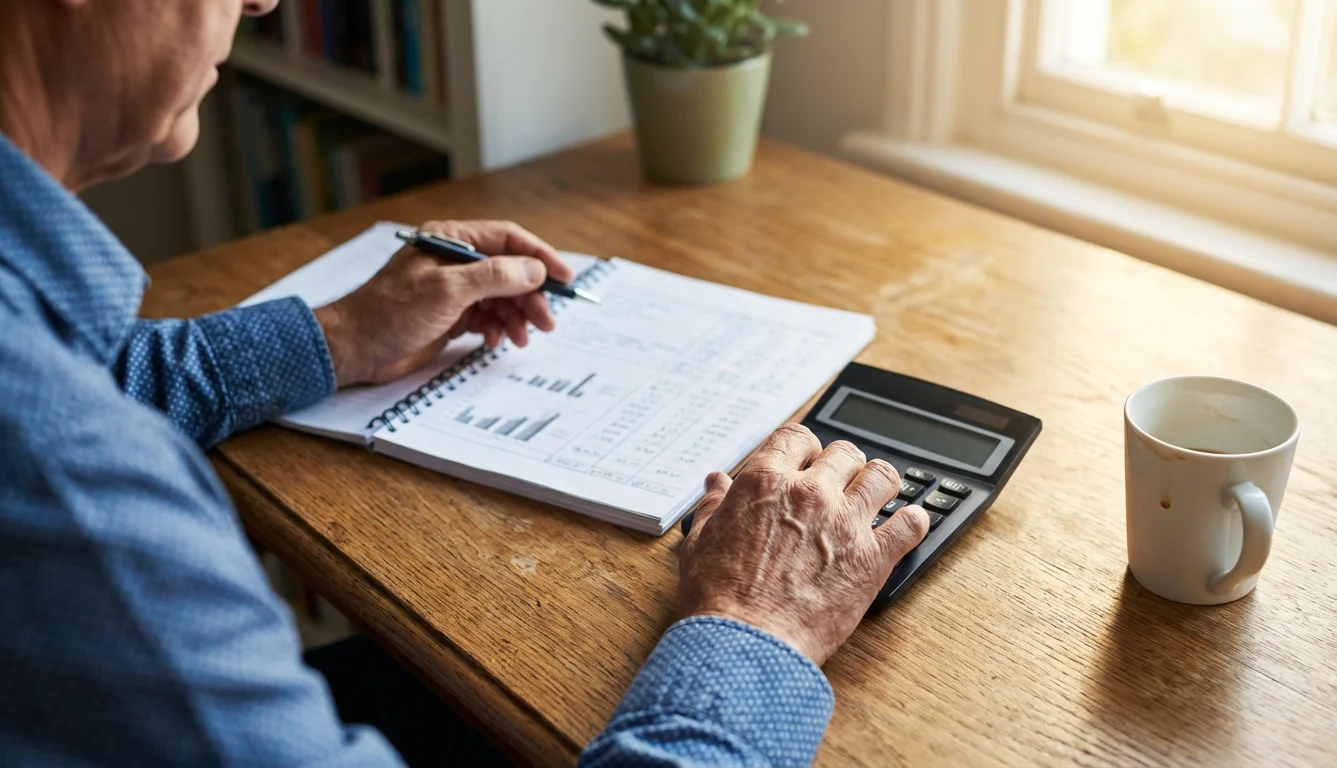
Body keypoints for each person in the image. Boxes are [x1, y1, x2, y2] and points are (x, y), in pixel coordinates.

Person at [0, 1, 931, 766]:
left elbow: (75, 370)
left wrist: (337, 335)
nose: (261, 4)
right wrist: (754, 628)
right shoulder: (69, 482)